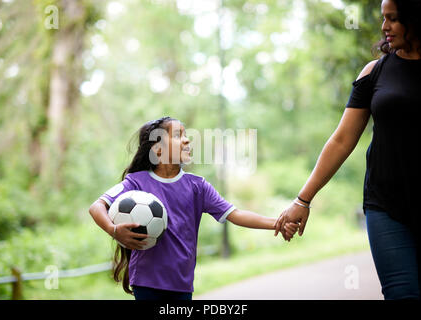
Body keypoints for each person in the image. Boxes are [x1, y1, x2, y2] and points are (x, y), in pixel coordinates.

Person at [275, 0, 421, 300]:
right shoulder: (375, 72)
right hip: (386, 205)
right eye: (383, 18)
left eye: (393, 19)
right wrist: (302, 200)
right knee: (403, 294)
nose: (384, 27)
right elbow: (342, 140)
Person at [89, 116, 296, 300]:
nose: (187, 140)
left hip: (181, 284)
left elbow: (236, 214)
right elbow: (97, 207)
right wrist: (114, 230)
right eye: (178, 135)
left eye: (186, 135)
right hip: (146, 282)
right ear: (158, 149)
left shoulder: (198, 186)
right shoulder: (136, 182)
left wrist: (278, 223)